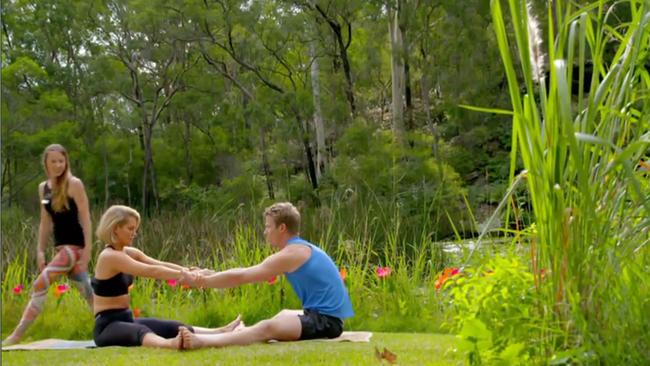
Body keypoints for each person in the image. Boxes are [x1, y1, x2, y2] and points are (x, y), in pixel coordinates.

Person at [178, 202, 354, 349]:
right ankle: (232, 333)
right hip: (319, 316)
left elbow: (242, 276)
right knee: (283, 315)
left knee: (268, 327)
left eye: (268, 227)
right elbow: (242, 272)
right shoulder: (299, 249)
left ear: (282, 228)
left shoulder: (292, 254)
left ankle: (203, 341)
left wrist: (201, 281)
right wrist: (210, 274)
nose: (265, 232)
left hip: (326, 322)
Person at [91, 205, 241, 349]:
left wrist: (195, 272)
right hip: (106, 326)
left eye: (135, 229)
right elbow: (152, 271)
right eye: (130, 228)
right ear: (115, 228)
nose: (134, 233)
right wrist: (186, 276)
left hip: (126, 319)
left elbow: (160, 264)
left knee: (171, 326)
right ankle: (171, 345)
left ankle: (220, 332)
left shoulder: (128, 252)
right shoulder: (109, 257)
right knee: (142, 331)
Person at [3, 144, 94, 346]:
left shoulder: (74, 184)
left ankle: (16, 335)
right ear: (46, 163)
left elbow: (86, 217)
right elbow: (45, 221)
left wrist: (87, 250)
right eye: (53, 161)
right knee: (89, 294)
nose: (58, 165)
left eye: (61, 161)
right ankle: (116, 327)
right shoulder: (43, 189)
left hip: (74, 248)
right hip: (60, 247)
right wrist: (40, 250)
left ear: (66, 162)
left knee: (39, 283)